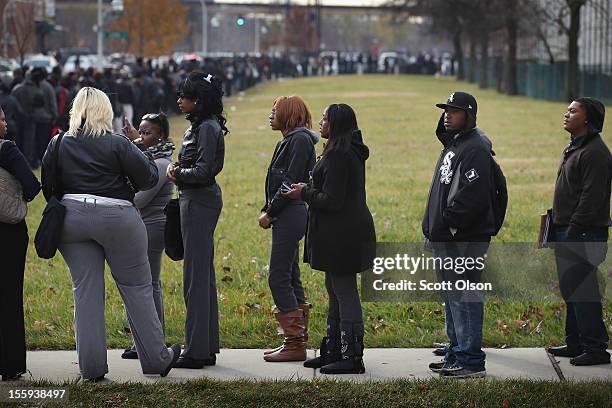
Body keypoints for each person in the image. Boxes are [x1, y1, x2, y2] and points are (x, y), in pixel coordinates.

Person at [41, 87, 180, 381]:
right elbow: (149, 177)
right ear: (105, 112)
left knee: (86, 292)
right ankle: (156, 359)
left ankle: (91, 368)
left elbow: (48, 185)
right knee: (137, 288)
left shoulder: (58, 142)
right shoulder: (116, 142)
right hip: (117, 216)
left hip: (72, 217)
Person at [284, 103, 375, 374]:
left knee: (345, 292)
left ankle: (352, 356)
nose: (320, 122)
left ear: (337, 124)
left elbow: (333, 201)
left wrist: (304, 193)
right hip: (340, 232)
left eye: (325, 119)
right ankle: (334, 349)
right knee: (334, 290)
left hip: (343, 234)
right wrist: (309, 189)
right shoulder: (340, 150)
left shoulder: (339, 154)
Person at [423, 92, 496, 379]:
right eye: (445, 109)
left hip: (463, 238)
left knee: (464, 295)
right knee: (452, 295)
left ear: (469, 114)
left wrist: (449, 225)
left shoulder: (475, 148)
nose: (447, 114)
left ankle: (471, 360)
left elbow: (474, 197)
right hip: (447, 237)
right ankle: (456, 352)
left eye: (454, 110)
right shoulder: (456, 144)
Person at [166, 71, 227, 369]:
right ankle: (205, 346)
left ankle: (196, 350)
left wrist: (177, 174)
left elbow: (204, 171)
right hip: (197, 199)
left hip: (199, 200)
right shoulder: (203, 125)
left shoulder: (206, 128)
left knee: (195, 277)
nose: (179, 100)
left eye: (184, 96)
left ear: (198, 100)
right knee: (201, 275)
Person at [547, 97, 611, 366]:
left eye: (573, 111)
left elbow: (591, 198)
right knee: (572, 289)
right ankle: (575, 343)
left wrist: (572, 231)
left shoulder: (595, 152)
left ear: (587, 119)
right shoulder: (576, 147)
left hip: (583, 234)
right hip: (568, 230)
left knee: (583, 291)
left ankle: (596, 348)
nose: (566, 114)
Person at [259, 95, 318, 363]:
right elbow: (276, 180)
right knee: (291, 275)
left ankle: (294, 343)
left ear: (289, 114)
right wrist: (267, 207)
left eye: (275, 110)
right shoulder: (289, 139)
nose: (270, 115)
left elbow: (290, 181)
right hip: (286, 212)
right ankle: (296, 342)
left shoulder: (300, 140)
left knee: (278, 276)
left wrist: (270, 213)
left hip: (291, 213)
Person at [120, 112, 175, 360]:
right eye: (140, 132)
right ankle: (147, 340)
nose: (142, 137)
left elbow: (140, 199)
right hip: (144, 225)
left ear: (161, 135)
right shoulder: (150, 157)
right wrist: (135, 142)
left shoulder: (161, 164)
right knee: (149, 284)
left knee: (149, 285)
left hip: (152, 226)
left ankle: (150, 341)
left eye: (148, 133)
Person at [0, 108, 40, 381]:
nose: (5, 123)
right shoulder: (7, 150)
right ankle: (11, 364)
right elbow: (32, 186)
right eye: (1, 119)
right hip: (8, 232)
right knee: (9, 295)